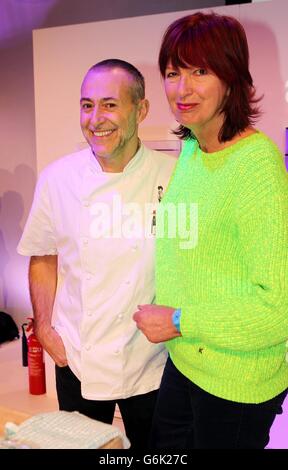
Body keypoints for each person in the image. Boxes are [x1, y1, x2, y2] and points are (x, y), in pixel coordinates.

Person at [133, 12, 288, 449]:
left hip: (236, 381)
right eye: (172, 72)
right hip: (186, 361)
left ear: (232, 76)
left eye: (201, 70)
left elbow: (280, 310)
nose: (183, 88)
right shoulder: (193, 149)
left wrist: (179, 321)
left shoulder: (256, 166)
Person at [17, 59, 176, 449]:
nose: (95, 118)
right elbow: (42, 256)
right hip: (77, 353)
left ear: (141, 110)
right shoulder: (57, 179)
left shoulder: (173, 176)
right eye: (87, 105)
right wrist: (43, 328)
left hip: (150, 358)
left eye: (109, 104)